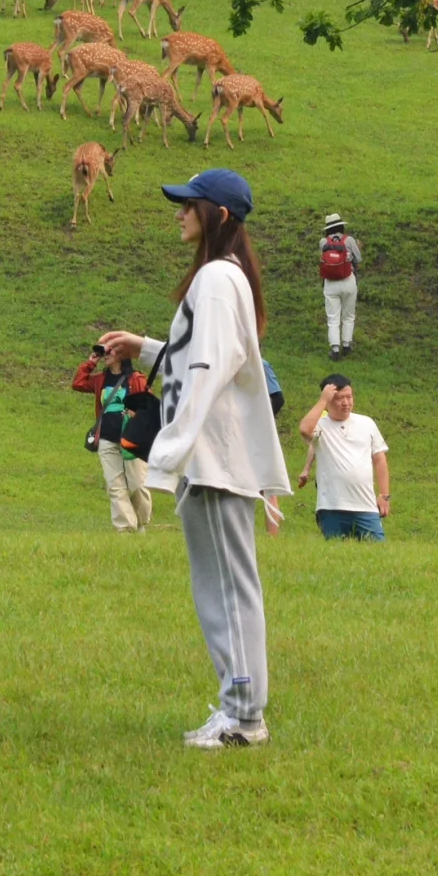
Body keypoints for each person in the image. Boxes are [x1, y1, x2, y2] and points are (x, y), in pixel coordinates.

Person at [101, 167, 291, 750]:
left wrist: (171, 451)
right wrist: (146, 348)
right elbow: (202, 357)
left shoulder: (214, 278)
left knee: (226, 589)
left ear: (220, 216)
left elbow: (206, 370)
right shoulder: (226, 275)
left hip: (213, 459)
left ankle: (243, 717)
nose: (180, 212)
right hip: (216, 458)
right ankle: (239, 709)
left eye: (190, 204)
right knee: (224, 586)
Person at [298, 375, 389, 541]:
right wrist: (322, 401)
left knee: (377, 550)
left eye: (349, 397)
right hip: (332, 507)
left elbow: (379, 458)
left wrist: (384, 495)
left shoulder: (367, 423)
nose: (346, 403)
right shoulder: (320, 426)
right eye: (339, 398)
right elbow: (304, 429)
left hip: (366, 507)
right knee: (335, 552)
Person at [72, 345, 151, 531]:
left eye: (109, 352)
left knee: (138, 485)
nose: (105, 355)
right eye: (103, 352)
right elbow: (78, 383)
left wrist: (137, 413)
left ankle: (141, 524)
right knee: (115, 486)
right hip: (106, 439)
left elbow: (149, 406)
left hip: (132, 438)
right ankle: (125, 529)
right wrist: (91, 363)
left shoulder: (136, 379)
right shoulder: (101, 379)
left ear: (122, 355)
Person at [319, 213, 361, 359]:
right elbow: (358, 259)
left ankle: (335, 349)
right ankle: (347, 345)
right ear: (341, 226)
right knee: (348, 315)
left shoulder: (323, 242)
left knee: (333, 317)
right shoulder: (349, 240)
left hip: (330, 283)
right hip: (348, 280)